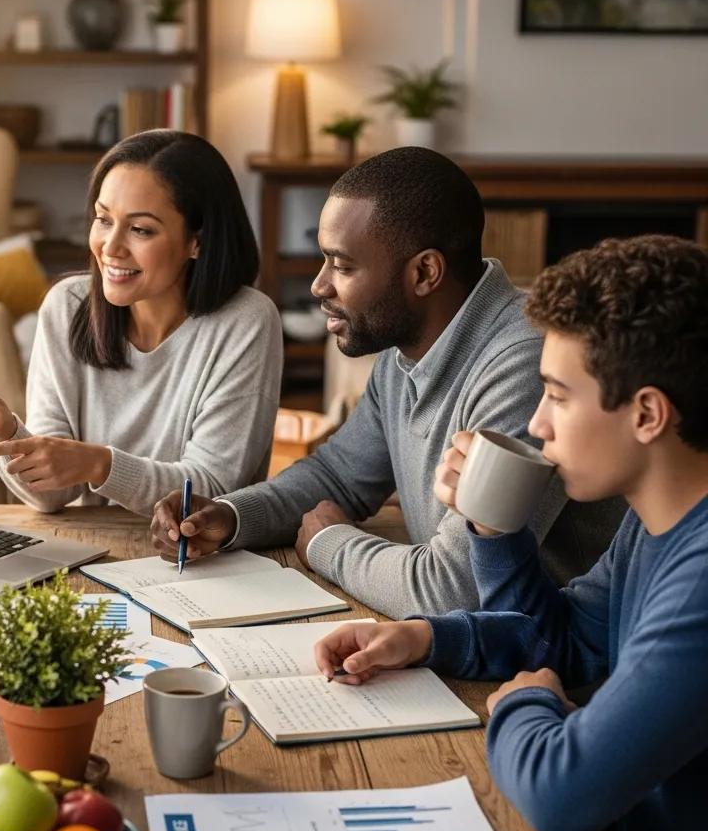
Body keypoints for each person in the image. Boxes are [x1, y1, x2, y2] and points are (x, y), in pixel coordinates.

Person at [313, 235, 708, 831]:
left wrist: (523, 704)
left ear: (648, 414)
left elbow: (562, 791)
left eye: (557, 395)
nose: (538, 424)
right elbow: (564, 638)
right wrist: (431, 633)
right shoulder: (657, 522)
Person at [151, 147, 622, 619]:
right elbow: (338, 476)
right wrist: (230, 516)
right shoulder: (405, 348)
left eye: (342, 266)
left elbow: (453, 590)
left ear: (425, 273)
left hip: (548, 651)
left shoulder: (527, 367)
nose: (319, 286)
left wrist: (329, 543)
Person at [0, 130, 282, 517]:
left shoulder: (246, 322)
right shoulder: (67, 306)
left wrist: (99, 465)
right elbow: (51, 497)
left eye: (140, 229)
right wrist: (7, 428)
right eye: (103, 219)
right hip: (93, 544)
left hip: (195, 549)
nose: (110, 248)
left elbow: (210, 492)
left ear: (197, 241)